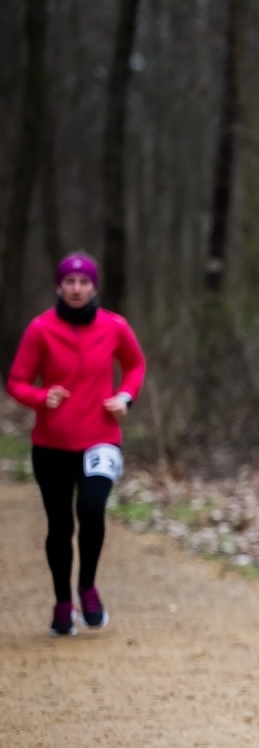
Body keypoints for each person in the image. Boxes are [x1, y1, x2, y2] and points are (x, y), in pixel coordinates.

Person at [6, 253, 147, 636]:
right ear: (59, 286)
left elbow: (135, 365)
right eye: (69, 281)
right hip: (51, 444)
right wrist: (40, 397)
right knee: (59, 525)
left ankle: (87, 586)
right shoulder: (40, 329)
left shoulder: (114, 326)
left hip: (100, 439)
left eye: (84, 282)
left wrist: (125, 397)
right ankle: (62, 601)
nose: (77, 288)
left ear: (94, 287)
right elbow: (16, 381)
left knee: (91, 509)